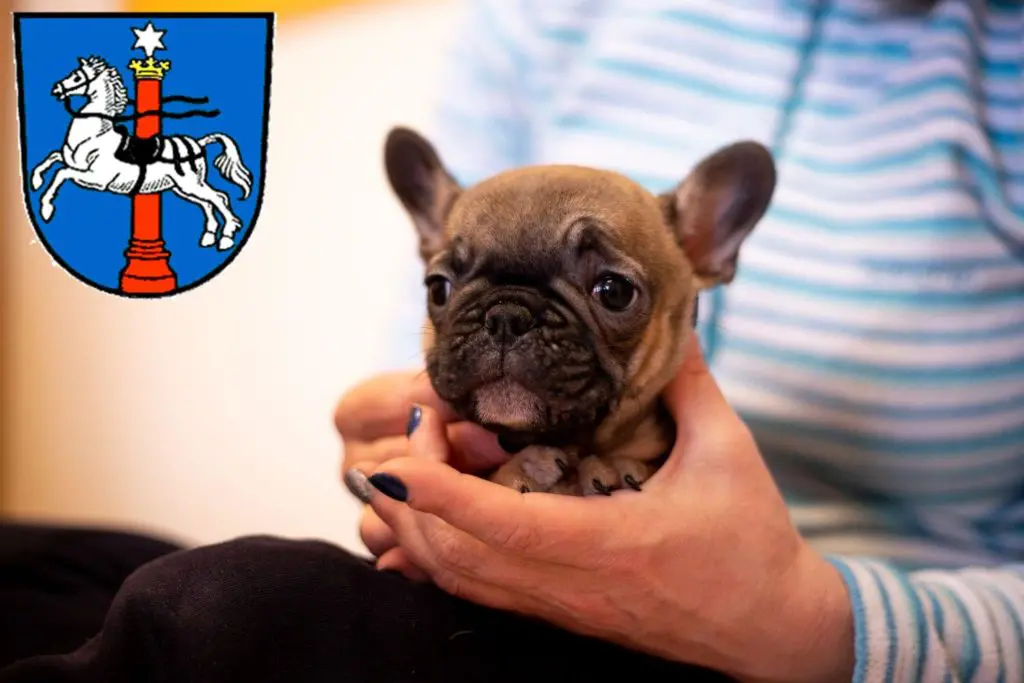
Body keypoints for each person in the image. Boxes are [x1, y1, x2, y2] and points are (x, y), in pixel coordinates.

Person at [3, 1, 1022, 681]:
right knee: (41, 570)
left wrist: (809, 619)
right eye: (456, 285)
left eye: (608, 289)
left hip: (849, 628)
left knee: (225, 607)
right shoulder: (552, 14)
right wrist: (403, 445)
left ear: (711, 244)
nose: (505, 329)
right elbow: (417, 376)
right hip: (500, 592)